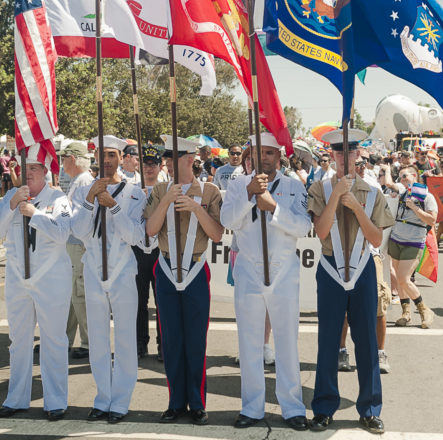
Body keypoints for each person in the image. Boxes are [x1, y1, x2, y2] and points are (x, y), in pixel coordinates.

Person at [221, 130, 312, 430]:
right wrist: (249, 194)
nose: (264, 158)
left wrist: (273, 207)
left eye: (270, 152)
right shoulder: (237, 184)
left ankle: (292, 407)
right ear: (249, 157)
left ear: (279, 157)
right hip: (248, 271)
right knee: (249, 344)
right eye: (257, 153)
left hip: (284, 272)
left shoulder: (292, 186)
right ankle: (252, 407)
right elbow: (226, 221)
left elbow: (301, 226)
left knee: (287, 342)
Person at [307, 128, 394, 435]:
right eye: (339, 153)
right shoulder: (319, 187)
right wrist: (336, 196)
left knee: (367, 342)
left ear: (359, 156)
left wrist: (355, 205)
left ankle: (370, 408)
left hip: (362, 269)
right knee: (328, 341)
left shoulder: (372, 192)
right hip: (331, 267)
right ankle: (324, 407)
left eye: (350, 153)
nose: (344, 159)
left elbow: (375, 237)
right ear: (332, 155)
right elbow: (320, 231)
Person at [0, 143, 72, 421]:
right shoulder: (13, 195)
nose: (30, 174)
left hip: (52, 280)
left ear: (46, 171)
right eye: (26, 169)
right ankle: (16, 398)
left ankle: (55, 401)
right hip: (18, 279)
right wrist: (12, 204)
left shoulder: (58, 198)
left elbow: (62, 234)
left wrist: (35, 215)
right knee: (18, 341)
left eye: (35, 169)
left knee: (54, 341)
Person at [145, 135, 223, 426]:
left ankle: (198, 403)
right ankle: (176, 401)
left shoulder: (211, 191)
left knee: (195, 341)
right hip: (165, 269)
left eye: (172, 158)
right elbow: (151, 230)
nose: (166, 162)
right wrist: (165, 199)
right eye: (166, 157)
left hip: (194, 269)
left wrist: (196, 208)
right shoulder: (161, 189)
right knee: (172, 340)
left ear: (189, 160)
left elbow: (216, 234)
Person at [70, 134, 146, 424]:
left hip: (122, 269)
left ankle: (121, 401)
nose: (106, 160)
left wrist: (112, 205)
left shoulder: (135, 192)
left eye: (112, 155)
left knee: (125, 337)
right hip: (93, 267)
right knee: (99, 338)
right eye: (101, 155)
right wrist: (91, 200)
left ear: (121, 158)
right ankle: (102, 398)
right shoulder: (82, 190)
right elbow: (78, 231)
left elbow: (135, 236)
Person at [386, 168, 437, 328]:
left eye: (405, 176)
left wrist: (415, 208)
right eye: (400, 177)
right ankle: (406, 313)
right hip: (395, 239)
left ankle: (424, 310)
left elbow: (431, 220)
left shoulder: (427, 196)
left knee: (403, 278)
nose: (402, 179)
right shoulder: (402, 194)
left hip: (414, 241)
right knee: (399, 280)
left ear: (414, 176)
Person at [61, 139, 94, 360]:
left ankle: (88, 342)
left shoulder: (83, 182)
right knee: (72, 294)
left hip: (79, 244)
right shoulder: (79, 180)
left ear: (72, 159)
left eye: (63, 159)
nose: (62, 163)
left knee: (80, 294)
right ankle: (64, 338)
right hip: (74, 243)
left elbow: (83, 217)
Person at [134, 145, 162, 359]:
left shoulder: (166, 189)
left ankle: (164, 345)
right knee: (139, 301)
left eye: (153, 164)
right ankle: (140, 343)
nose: (149, 168)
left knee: (162, 301)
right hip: (137, 250)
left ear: (160, 167)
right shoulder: (132, 189)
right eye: (145, 164)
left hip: (159, 249)